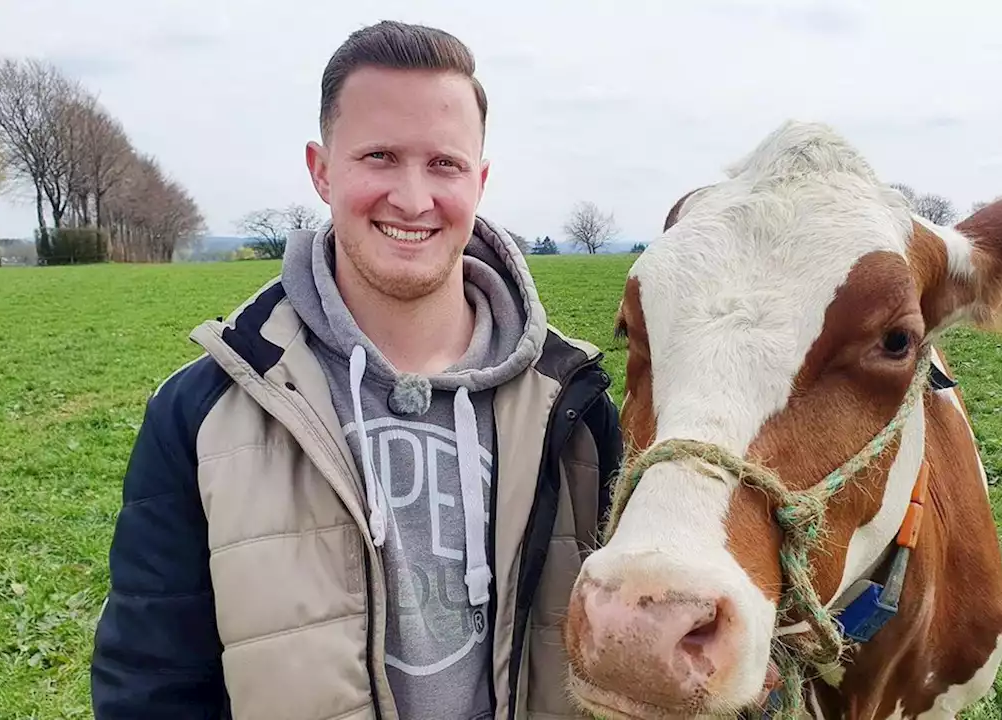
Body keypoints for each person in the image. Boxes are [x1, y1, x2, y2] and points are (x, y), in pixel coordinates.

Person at [90, 20, 623, 720]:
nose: (412, 197)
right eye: (379, 156)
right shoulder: (204, 413)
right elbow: (150, 687)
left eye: (444, 164)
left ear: (481, 180)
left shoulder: (576, 409)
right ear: (321, 169)